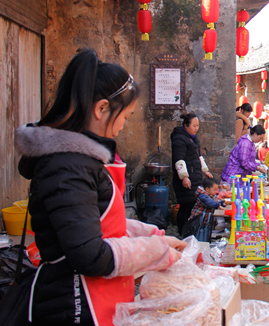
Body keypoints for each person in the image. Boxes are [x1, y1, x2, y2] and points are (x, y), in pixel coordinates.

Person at [14, 48, 187, 326]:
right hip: (74, 305)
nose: (123, 126)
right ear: (101, 108)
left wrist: (150, 234)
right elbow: (90, 255)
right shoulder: (67, 166)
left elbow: (96, 220)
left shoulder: (82, 161)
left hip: (100, 300)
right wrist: (154, 250)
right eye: (125, 116)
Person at [171, 113, 213, 233]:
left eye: (197, 126)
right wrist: (184, 177)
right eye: (194, 126)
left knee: (191, 205)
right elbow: (179, 159)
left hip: (195, 178)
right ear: (186, 125)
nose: (196, 128)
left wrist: (205, 171)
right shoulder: (179, 139)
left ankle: (190, 231)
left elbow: (198, 157)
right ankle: (183, 231)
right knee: (186, 206)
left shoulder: (193, 138)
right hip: (187, 180)